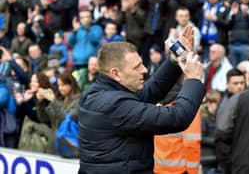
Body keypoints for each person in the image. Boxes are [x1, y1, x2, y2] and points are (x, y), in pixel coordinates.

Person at [78, 26, 206, 173]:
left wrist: (175, 58)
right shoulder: (115, 105)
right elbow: (177, 117)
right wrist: (194, 79)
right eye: (136, 67)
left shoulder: (99, 92)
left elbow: (149, 92)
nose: (144, 70)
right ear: (116, 74)